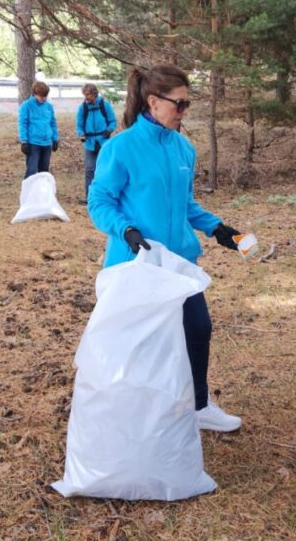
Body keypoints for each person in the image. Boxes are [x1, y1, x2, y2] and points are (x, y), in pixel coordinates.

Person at [88, 63, 245, 432]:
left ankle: (198, 405)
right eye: (180, 104)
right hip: (136, 263)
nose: (185, 111)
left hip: (179, 264)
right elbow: (99, 201)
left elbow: (186, 204)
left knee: (197, 329)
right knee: (141, 343)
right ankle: (129, 410)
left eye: (188, 104)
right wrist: (125, 230)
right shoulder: (121, 148)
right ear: (153, 102)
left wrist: (217, 228)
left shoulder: (183, 148)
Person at [75, 83, 117, 203]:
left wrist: (109, 130)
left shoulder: (105, 105)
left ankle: (107, 196)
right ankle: (90, 198)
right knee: (89, 170)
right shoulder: (83, 108)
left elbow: (112, 121)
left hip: (104, 142)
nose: (85, 97)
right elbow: (79, 125)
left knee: (105, 169)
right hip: (89, 143)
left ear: (94, 93)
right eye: (84, 94)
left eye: (87, 94)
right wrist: (81, 134)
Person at [18, 80, 59, 178]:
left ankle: (41, 192)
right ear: (34, 94)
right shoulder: (26, 106)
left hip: (47, 143)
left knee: (44, 171)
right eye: (42, 96)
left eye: (45, 96)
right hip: (33, 143)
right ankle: (27, 191)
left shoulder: (48, 106)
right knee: (32, 170)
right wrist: (24, 141)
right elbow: (23, 124)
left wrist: (55, 138)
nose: (44, 99)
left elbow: (53, 123)